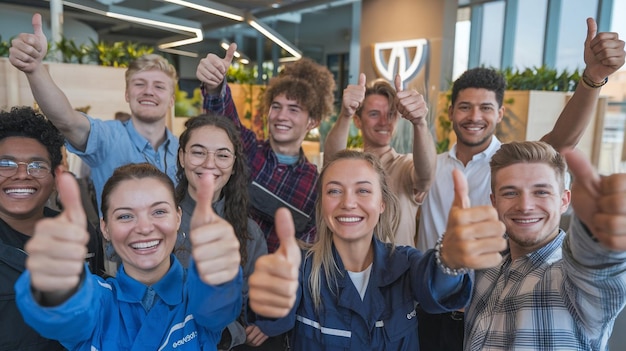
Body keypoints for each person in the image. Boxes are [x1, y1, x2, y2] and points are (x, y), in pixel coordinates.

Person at [416, 18, 626, 351]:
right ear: (451, 112)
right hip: (452, 294)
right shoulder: (429, 166)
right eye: (465, 107)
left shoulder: (512, 162)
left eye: (485, 107)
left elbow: (596, 269)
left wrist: (592, 79)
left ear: (500, 113)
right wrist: (448, 260)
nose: (474, 116)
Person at [246, 150, 507, 350]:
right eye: (335, 190)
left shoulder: (405, 262)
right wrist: (269, 298)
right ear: (322, 204)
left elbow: (436, 288)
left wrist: (450, 261)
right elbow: (274, 319)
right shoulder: (301, 267)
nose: (348, 203)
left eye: (362, 190)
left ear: (382, 203)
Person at [15, 163, 243, 350]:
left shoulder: (197, 293)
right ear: (105, 228)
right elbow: (66, 314)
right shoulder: (96, 298)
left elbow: (217, 306)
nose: (144, 228)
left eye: (159, 211)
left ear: (177, 217)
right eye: (125, 216)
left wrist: (220, 268)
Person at [452, 141, 626, 350]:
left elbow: (598, 271)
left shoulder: (571, 280)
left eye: (541, 192)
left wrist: (596, 234)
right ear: (494, 202)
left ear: (564, 200)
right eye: (510, 193)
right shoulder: (485, 265)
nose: (525, 206)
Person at [9, 13, 179, 214]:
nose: (148, 91)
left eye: (159, 86)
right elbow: (67, 120)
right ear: (127, 93)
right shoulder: (107, 137)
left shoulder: (183, 149)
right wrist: (35, 69)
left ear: (171, 100)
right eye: (139, 84)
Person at [197, 44, 335, 253]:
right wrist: (215, 86)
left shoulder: (313, 186)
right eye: (276, 106)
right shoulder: (247, 148)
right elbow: (222, 114)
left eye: (294, 109)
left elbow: (306, 251)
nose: (281, 116)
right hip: (219, 269)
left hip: (271, 280)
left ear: (312, 122)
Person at [0, 106, 105, 350]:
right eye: (6, 163)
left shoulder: (80, 234)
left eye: (37, 166)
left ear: (56, 177)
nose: (22, 175)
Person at [173, 114, 270, 350]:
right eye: (198, 152)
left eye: (222, 155)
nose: (209, 163)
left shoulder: (249, 233)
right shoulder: (156, 219)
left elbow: (248, 313)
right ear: (182, 157)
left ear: (234, 164)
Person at [323, 74, 436, 247]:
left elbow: (425, 178)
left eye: (391, 114)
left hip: (399, 272)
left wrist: (419, 122)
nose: (384, 122)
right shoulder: (350, 166)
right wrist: (345, 114)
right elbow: (331, 164)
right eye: (374, 114)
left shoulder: (404, 165)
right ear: (358, 121)